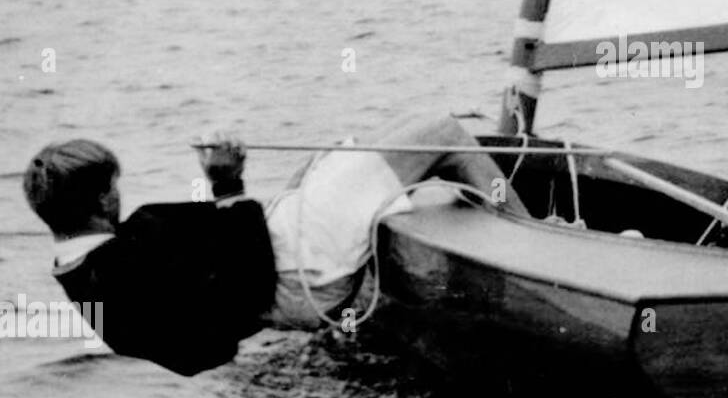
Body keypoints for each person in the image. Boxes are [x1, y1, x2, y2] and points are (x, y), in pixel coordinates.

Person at [22, 114, 529, 376]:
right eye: (114, 184)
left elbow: (201, 347)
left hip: (291, 275)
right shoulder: (126, 256)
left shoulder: (84, 276)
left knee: (336, 150)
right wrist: (228, 183)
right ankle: (537, 241)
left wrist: (235, 211)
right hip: (303, 272)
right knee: (440, 131)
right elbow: (245, 280)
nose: (119, 192)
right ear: (102, 196)